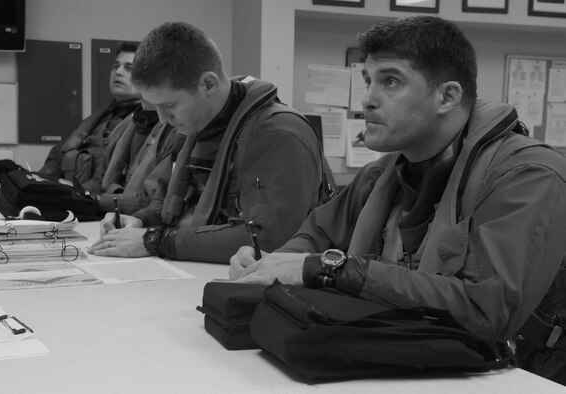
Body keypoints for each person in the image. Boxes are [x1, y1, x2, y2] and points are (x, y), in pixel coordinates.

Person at [229, 15, 566, 351]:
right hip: (407, 354)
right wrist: (269, 264)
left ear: (447, 97)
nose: (367, 100)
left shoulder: (529, 174)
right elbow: (315, 237)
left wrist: (328, 270)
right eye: (368, 81)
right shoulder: (382, 173)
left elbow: (486, 310)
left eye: (390, 82)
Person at [88, 21, 327, 263]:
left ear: (208, 84)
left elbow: (266, 239)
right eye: (154, 106)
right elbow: (169, 202)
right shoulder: (191, 126)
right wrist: (141, 220)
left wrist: (155, 240)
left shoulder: (277, 134)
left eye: (169, 106)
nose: (163, 119)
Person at [39, 42, 141, 184]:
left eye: (128, 68)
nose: (118, 72)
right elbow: (58, 156)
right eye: (116, 66)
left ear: (147, 77)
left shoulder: (149, 124)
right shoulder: (95, 121)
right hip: (76, 199)